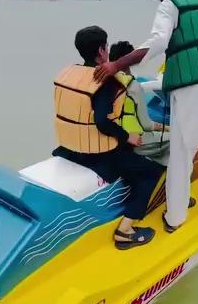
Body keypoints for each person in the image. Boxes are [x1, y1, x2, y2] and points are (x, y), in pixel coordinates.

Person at [94, 0, 198, 232]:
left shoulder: (170, 4)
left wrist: (116, 65)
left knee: (182, 152)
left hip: (193, 85)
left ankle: (175, 217)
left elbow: (159, 41)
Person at [53, 26, 165, 249]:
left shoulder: (69, 74)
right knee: (151, 173)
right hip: (98, 155)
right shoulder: (105, 81)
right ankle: (125, 231)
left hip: (68, 149)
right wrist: (127, 137)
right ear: (103, 50)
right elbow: (103, 122)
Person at [109, 41, 170, 166]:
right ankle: (169, 181)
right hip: (134, 142)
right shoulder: (133, 86)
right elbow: (146, 125)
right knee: (176, 141)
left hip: (112, 140)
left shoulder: (106, 82)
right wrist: (169, 128)